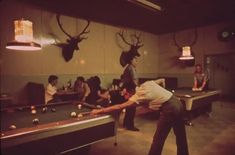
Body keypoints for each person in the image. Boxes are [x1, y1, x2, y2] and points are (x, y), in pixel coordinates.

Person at [91, 79, 189, 155]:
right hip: (177, 102)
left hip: (169, 108)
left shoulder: (138, 95)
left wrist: (99, 111)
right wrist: (163, 94)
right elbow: (162, 80)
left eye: (126, 94)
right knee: (181, 136)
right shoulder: (146, 83)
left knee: (158, 139)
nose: (126, 97)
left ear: (132, 90)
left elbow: (119, 106)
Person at [121, 54, 139, 131]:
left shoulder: (127, 68)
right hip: (131, 90)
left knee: (129, 108)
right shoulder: (131, 68)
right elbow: (134, 80)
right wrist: (137, 89)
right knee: (132, 108)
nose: (137, 62)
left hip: (127, 90)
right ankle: (130, 126)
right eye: (136, 60)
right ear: (131, 60)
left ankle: (126, 123)